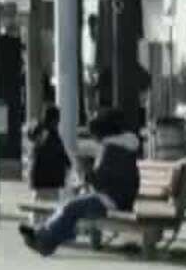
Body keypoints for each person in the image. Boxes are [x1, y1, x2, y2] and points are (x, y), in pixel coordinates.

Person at [19, 106, 141, 257]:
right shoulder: (120, 147)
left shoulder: (112, 149)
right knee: (71, 206)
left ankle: (45, 240)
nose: (94, 139)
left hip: (112, 199)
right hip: (116, 197)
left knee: (72, 207)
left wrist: (86, 172)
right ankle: (44, 235)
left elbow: (101, 182)